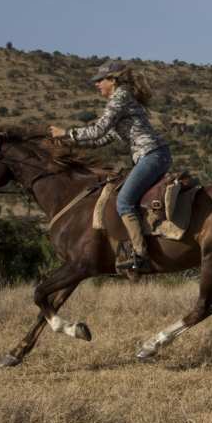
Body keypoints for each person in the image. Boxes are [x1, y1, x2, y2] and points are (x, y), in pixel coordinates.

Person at [49, 60, 171, 274]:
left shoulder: (120, 97)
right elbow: (102, 139)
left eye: (99, 80)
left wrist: (66, 133)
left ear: (112, 80)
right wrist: (69, 141)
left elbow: (98, 130)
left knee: (123, 201)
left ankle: (139, 254)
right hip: (152, 156)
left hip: (151, 156)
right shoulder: (123, 100)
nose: (97, 85)